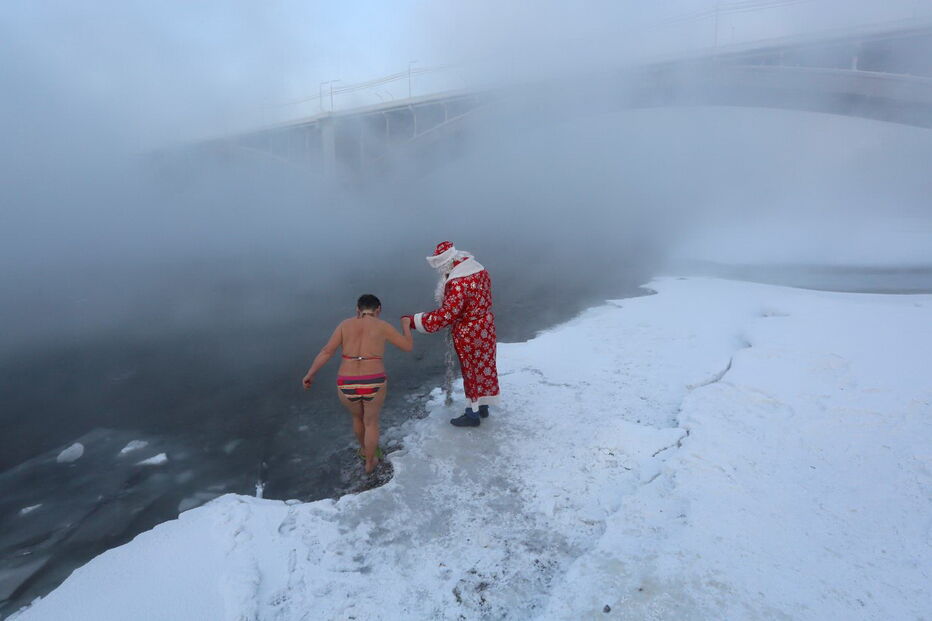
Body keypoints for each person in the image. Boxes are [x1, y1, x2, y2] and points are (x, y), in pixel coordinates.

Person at [302, 294, 413, 473]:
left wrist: (310, 374)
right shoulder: (382, 326)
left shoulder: (344, 325)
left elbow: (326, 352)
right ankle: (371, 462)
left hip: (346, 382)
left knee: (357, 418)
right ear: (378, 310)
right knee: (371, 422)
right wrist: (406, 326)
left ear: (357, 309)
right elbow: (407, 346)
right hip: (373, 380)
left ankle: (363, 449)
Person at [403, 241, 500, 427]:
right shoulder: (480, 270)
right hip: (486, 327)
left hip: (469, 332)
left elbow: (447, 314)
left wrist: (416, 321)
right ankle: (483, 406)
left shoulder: (457, 282)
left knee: (470, 370)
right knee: (485, 366)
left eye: (439, 267)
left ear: (446, 263)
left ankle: (472, 415)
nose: (439, 271)